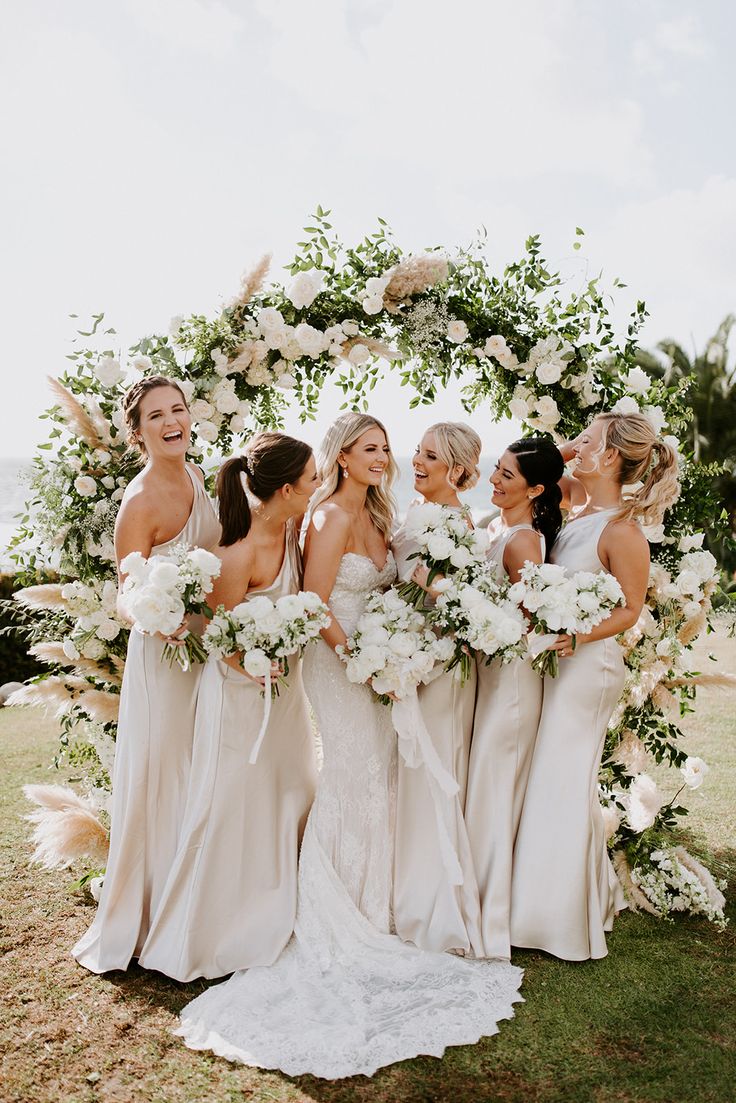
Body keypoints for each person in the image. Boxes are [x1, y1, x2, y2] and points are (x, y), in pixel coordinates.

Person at [175, 413, 522, 1079]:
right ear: (340, 455)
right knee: (350, 774)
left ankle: (377, 905)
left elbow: (398, 586)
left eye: (385, 447)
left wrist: (405, 639)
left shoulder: (384, 513)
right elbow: (316, 600)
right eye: (369, 447)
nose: (382, 456)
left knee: (380, 778)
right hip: (343, 664)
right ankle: (337, 914)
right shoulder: (328, 516)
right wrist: (361, 655)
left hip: (383, 659)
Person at [137, 433, 320, 981]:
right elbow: (218, 636)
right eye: (311, 482)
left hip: (283, 698)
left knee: (288, 791)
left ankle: (279, 904)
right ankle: (203, 932)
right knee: (229, 803)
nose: (316, 489)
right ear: (286, 489)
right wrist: (258, 663)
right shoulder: (236, 553)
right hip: (240, 699)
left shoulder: (290, 530)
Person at [510, 412, 680, 960]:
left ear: (609, 457)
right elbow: (548, 462)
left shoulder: (622, 530)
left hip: (589, 666)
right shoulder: (575, 509)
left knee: (562, 778)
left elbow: (631, 609)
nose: (573, 445)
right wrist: (583, 445)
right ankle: (558, 899)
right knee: (550, 777)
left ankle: (554, 920)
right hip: (561, 659)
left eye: (588, 439)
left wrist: (578, 634)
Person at [73, 376, 220, 974]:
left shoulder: (197, 477)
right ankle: (154, 913)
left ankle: (199, 902)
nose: (171, 421)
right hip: (162, 656)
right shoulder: (138, 501)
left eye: (178, 409)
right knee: (163, 771)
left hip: (205, 649)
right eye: (156, 415)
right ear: (138, 432)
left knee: (203, 766)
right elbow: (124, 595)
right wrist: (160, 615)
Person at [464, 437, 564, 959]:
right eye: (497, 470)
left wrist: (470, 619)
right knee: (481, 781)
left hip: (512, 682)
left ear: (536, 489)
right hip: (486, 675)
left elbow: (530, 624)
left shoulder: (524, 542)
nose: (495, 480)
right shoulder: (492, 525)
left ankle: (490, 912)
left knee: (494, 785)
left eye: (507, 475)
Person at [391, 423, 484, 955]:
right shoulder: (420, 514)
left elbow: (451, 597)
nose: (416, 461)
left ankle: (429, 902)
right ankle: (405, 889)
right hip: (410, 659)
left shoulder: (455, 524)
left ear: (456, 470)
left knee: (432, 772)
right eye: (418, 451)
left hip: (436, 666)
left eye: (430, 456)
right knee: (411, 772)